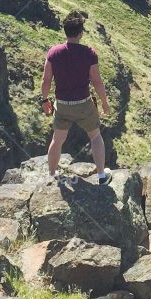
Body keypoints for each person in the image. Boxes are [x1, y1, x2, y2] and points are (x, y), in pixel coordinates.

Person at [40, 10, 111, 184]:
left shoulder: (54, 53)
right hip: (84, 104)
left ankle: (52, 176)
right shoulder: (89, 53)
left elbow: (46, 79)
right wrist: (104, 103)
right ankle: (102, 176)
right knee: (95, 136)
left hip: (62, 105)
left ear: (65, 31)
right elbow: (97, 82)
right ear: (80, 33)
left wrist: (44, 100)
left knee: (57, 140)